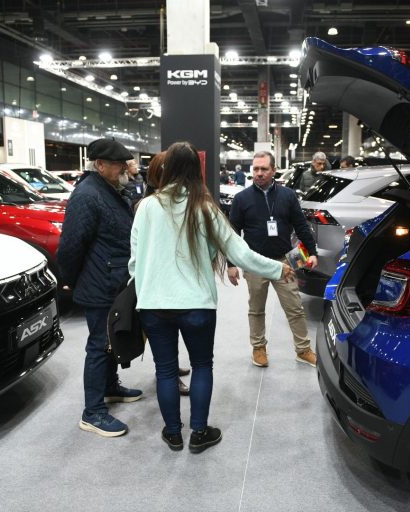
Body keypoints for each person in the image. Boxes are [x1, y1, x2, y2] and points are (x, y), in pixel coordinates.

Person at [130, 141, 295, 453]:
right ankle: (199, 433)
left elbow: (134, 262)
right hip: (197, 304)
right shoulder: (205, 208)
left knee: (165, 370)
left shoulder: (146, 207)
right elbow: (241, 253)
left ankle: (173, 434)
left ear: (167, 168)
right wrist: (277, 269)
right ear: (197, 170)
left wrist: (144, 290)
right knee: (202, 365)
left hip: (153, 305)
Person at [57, 137, 143, 438]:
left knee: (111, 341)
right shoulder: (87, 195)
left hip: (113, 280)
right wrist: (70, 278)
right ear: (100, 164)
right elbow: (71, 245)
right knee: (99, 344)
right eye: (119, 164)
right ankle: (92, 412)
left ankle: (109, 387)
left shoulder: (109, 189)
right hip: (100, 283)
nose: (125, 168)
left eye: (125, 163)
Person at [228, 150, 319, 369]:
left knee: (295, 308)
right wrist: (231, 264)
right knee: (256, 309)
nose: (259, 173)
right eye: (256, 169)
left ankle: (303, 350)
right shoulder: (241, 199)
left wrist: (312, 251)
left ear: (274, 170)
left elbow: (301, 225)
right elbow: (232, 233)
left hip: (284, 263)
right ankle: (258, 348)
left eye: (264, 169)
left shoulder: (288, 196)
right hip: (255, 263)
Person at [142, 151, 192, 397]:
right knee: (163, 334)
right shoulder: (150, 204)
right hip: (156, 283)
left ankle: (170, 369)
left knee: (170, 331)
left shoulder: (174, 200)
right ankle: (169, 374)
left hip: (171, 280)